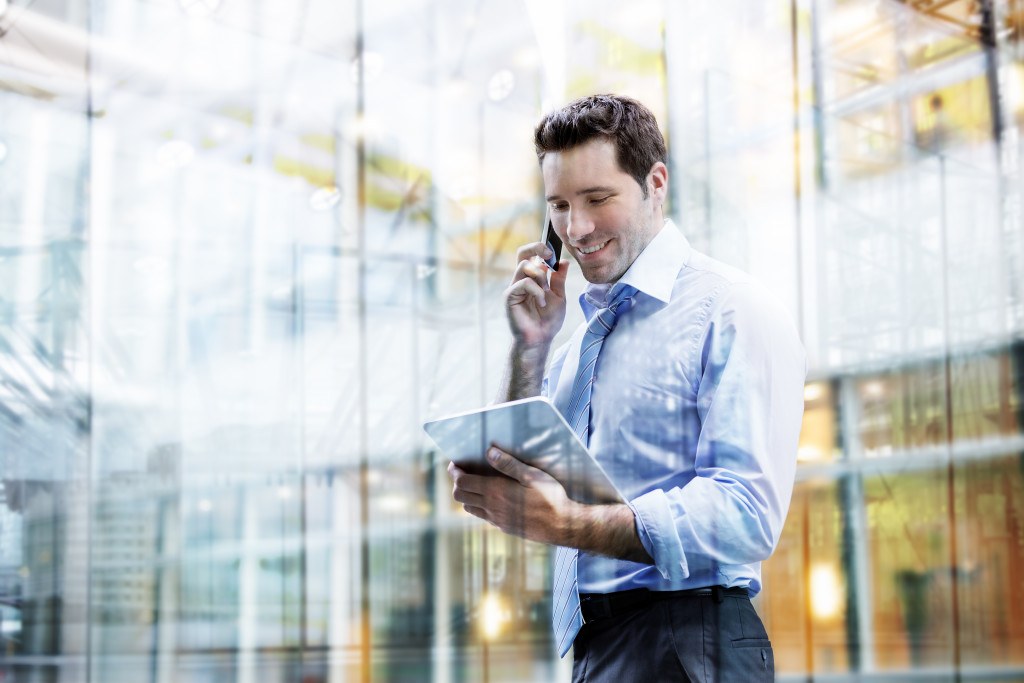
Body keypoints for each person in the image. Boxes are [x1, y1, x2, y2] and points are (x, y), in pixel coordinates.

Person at [448, 94, 806, 682]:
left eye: (598, 198)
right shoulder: (579, 342)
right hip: (598, 645)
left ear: (655, 182)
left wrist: (567, 525)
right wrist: (529, 348)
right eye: (559, 206)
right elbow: (509, 464)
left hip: (693, 642)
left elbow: (747, 515)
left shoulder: (731, 309)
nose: (576, 228)